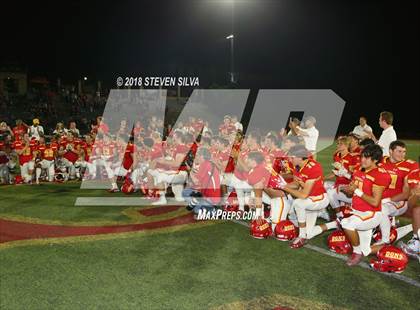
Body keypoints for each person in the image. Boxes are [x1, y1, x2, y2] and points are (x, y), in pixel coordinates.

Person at [340, 144, 390, 266]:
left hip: (371, 214)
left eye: (367, 158)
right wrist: (347, 189)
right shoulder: (359, 170)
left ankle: (356, 252)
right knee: (366, 250)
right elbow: (352, 193)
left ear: (376, 160)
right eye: (362, 156)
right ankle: (386, 247)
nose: (363, 160)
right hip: (358, 211)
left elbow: (375, 202)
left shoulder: (380, 175)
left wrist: (356, 190)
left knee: (346, 223)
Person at [279, 145, 330, 248]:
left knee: (298, 203)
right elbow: (296, 184)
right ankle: (335, 224)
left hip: (319, 198)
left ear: (300, 157)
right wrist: (279, 185)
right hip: (309, 200)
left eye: (292, 157)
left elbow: (303, 195)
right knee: (309, 234)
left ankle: (301, 236)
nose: (290, 159)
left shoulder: (313, 167)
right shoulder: (297, 165)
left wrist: (284, 187)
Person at [183, 147, 221, 214]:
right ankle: (206, 207)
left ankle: (213, 211)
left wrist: (189, 170)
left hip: (211, 198)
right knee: (188, 191)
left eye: (197, 155)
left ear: (202, 156)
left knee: (196, 209)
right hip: (211, 195)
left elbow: (196, 181)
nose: (196, 156)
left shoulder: (205, 165)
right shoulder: (208, 164)